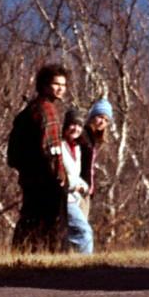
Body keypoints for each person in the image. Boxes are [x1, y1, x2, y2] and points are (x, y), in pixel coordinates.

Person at [11, 63, 70, 253]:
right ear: (45, 85)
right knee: (53, 223)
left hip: (30, 177)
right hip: (46, 178)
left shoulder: (30, 109)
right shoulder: (47, 110)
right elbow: (51, 149)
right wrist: (60, 176)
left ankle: (21, 255)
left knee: (29, 219)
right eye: (56, 84)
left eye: (63, 85)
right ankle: (52, 260)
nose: (60, 88)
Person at [61, 108, 93, 253]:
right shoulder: (60, 146)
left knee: (71, 236)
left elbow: (76, 174)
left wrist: (84, 186)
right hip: (64, 198)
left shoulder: (77, 148)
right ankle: (86, 269)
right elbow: (60, 172)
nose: (76, 129)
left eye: (79, 125)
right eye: (73, 124)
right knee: (84, 232)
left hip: (75, 197)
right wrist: (74, 185)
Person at [77, 97, 112, 218]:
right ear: (92, 116)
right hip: (78, 189)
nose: (102, 122)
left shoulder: (92, 140)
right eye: (100, 117)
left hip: (87, 191)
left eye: (106, 120)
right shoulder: (83, 136)